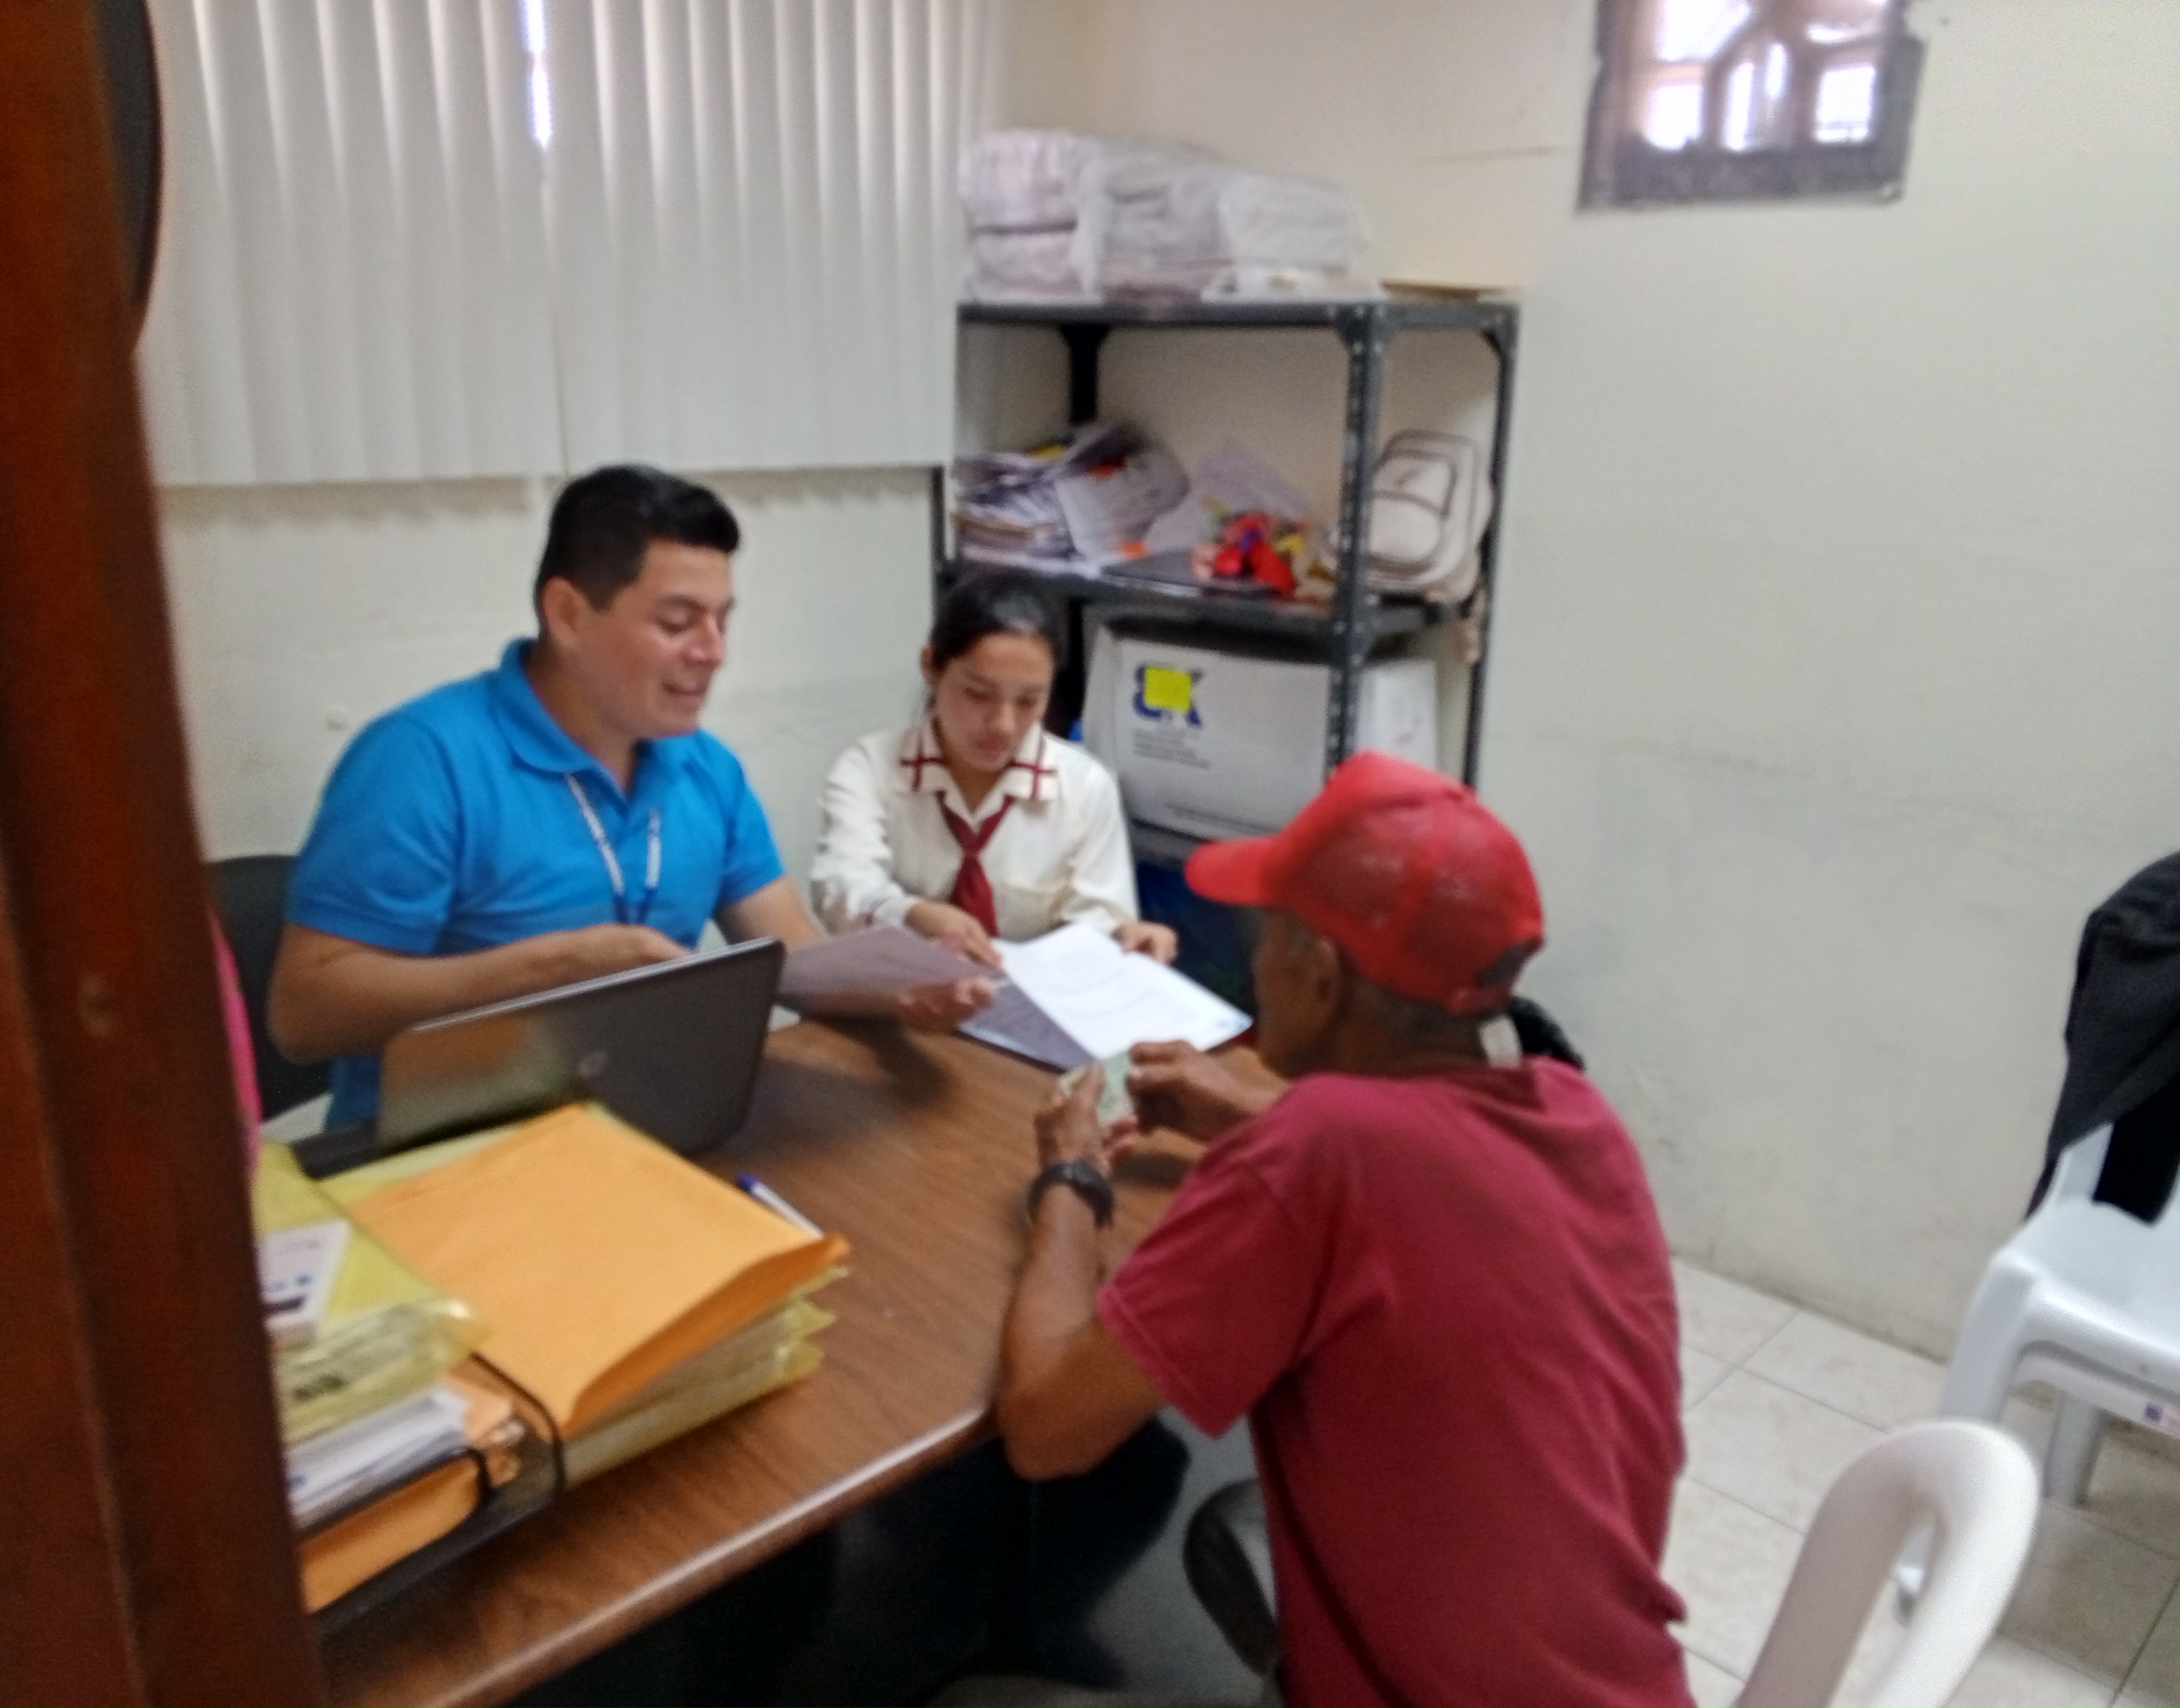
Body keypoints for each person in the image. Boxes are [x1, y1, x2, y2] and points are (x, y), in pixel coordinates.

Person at [993, 753, 1690, 1708]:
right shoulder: (1578, 1114)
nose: (1255, 964)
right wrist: (1250, 1120)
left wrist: (1070, 1175)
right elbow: (1428, 1180)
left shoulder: (1318, 1152)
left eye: (1266, 938)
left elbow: (1045, 1428)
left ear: (1319, 977)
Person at [271, 464, 988, 1127]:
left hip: (646, 1121)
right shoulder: (424, 761)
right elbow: (305, 1014)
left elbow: (789, 959)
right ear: (568, 614)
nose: (712, 652)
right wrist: (553, 969)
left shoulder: (705, 769)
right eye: (677, 623)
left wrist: (900, 991)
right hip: (446, 1150)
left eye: (721, 620)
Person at [810, 570, 1175, 970]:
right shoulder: (870, 769)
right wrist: (912, 914)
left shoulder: (1085, 788)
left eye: (1029, 701)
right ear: (931, 666)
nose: (1003, 725)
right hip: (902, 993)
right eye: (978, 694)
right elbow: (842, 889)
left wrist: (1123, 940)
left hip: (1035, 998)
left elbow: (1097, 923)